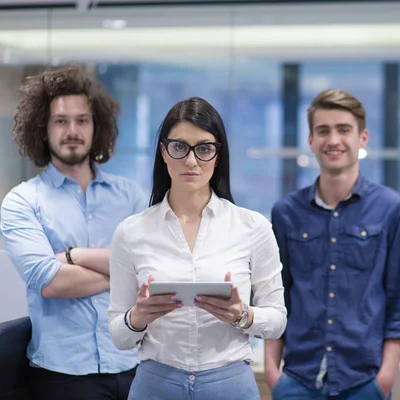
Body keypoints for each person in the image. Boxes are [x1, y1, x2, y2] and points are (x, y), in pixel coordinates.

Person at [107, 97, 287, 400]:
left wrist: (242, 316)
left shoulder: (252, 227)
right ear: (164, 152)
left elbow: (278, 320)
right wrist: (138, 317)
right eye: (179, 147)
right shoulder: (130, 232)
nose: (191, 161)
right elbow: (118, 336)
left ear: (218, 155)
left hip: (230, 384)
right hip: (155, 384)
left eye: (204, 148)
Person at [0, 65, 146, 400]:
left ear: (97, 127)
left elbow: (154, 266)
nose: (72, 130)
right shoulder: (23, 201)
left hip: (133, 367)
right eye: (61, 120)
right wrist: (127, 271)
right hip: (61, 378)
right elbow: (51, 283)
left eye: (82, 120)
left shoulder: (131, 196)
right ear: (42, 128)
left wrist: (73, 256)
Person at [264, 89, 400, 400]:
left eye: (343, 129)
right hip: (297, 380)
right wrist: (272, 373)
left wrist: (385, 377)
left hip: (364, 382)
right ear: (311, 141)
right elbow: (275, 296)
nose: (333, 139)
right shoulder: (286, 212)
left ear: (363, 137)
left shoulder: (391, 208)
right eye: (323, 130)